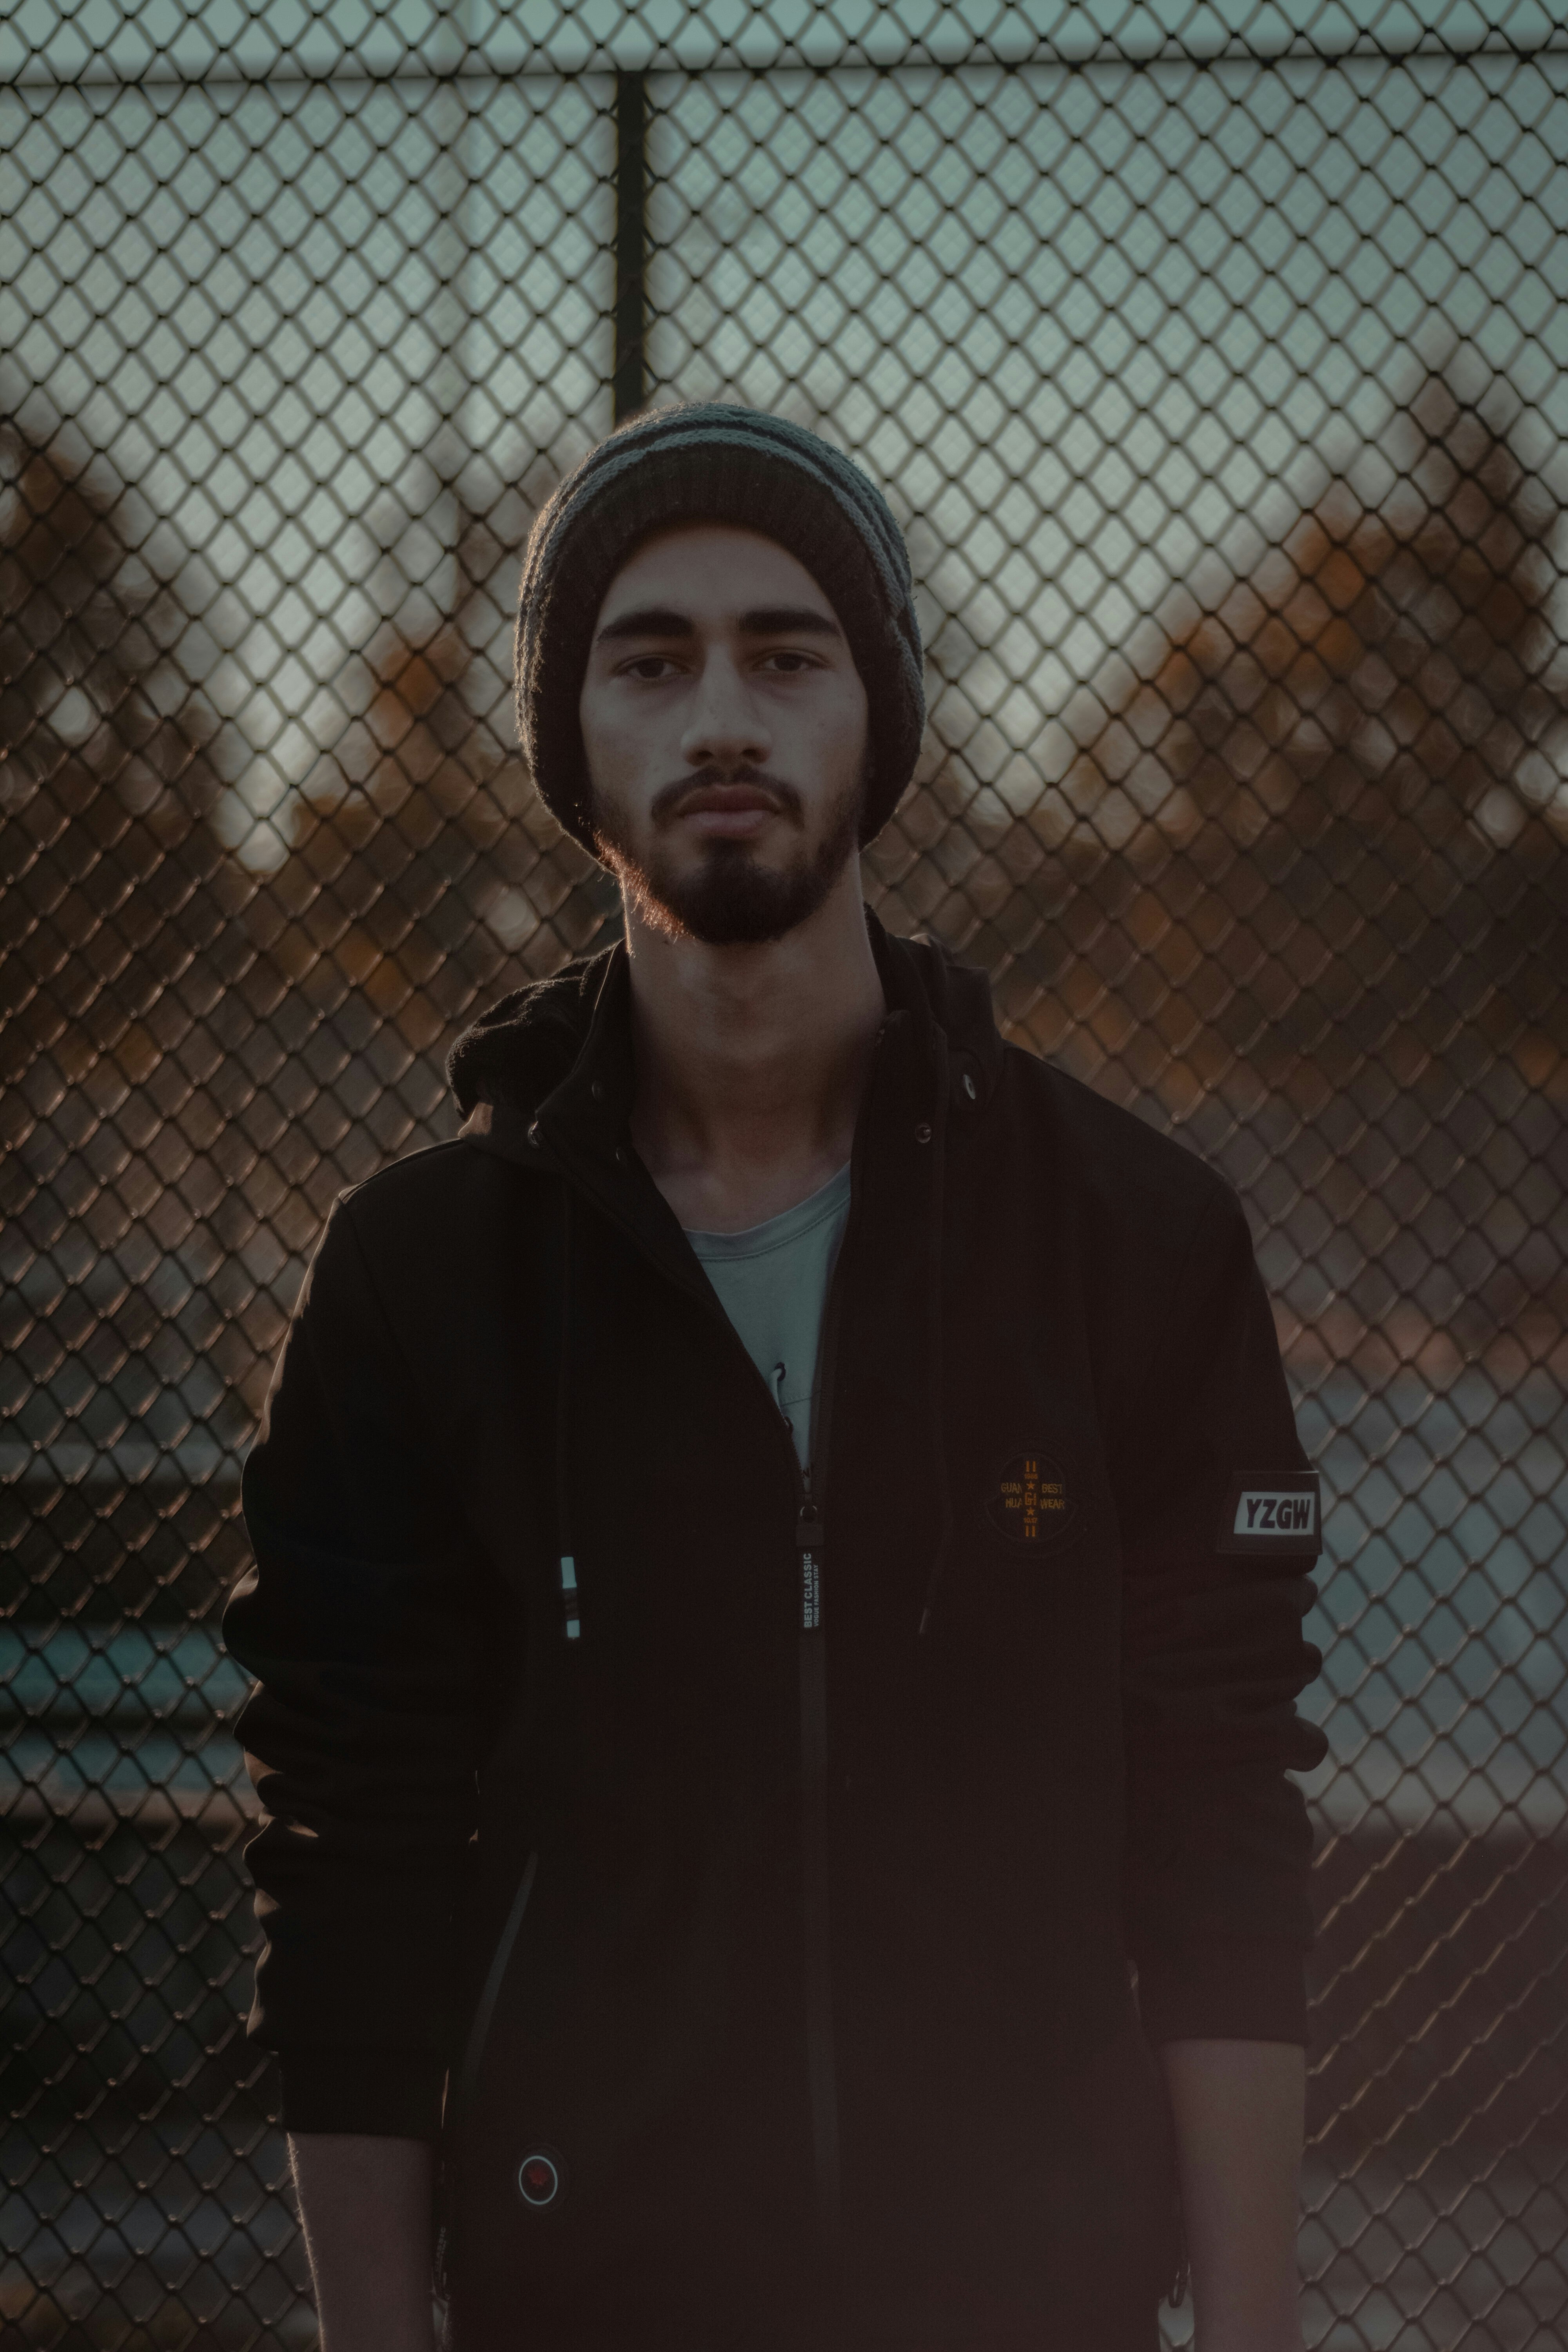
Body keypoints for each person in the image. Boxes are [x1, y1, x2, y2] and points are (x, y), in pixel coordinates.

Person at [225, 403, 1328, 2352]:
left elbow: (1220, 1815)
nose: (719, 715)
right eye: (648, 660)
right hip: (591, 2299)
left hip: (1030, 2303)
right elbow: (351, 1861)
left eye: (786, 652)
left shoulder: (1131, 1242)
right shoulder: (422, 1278)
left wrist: (1245, 2335)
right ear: (574, 734)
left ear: (876, 718)